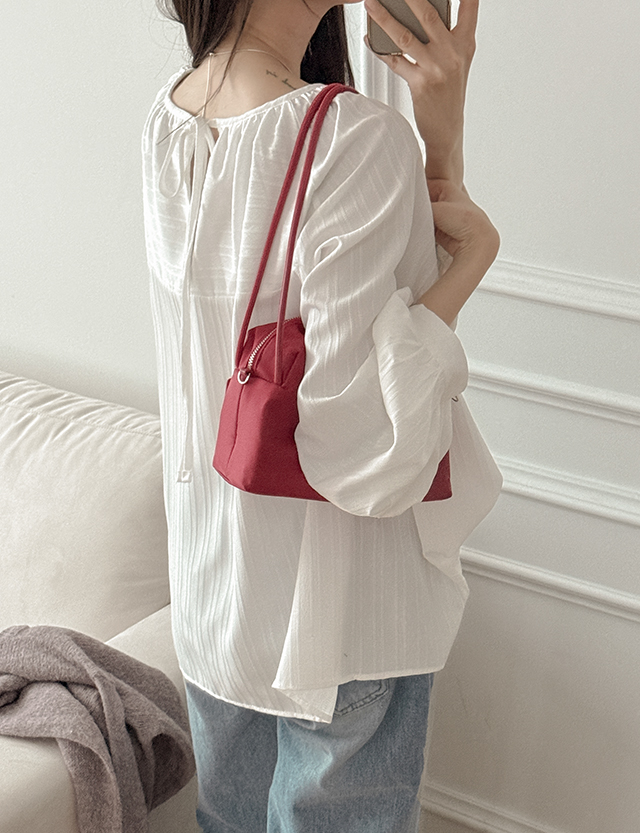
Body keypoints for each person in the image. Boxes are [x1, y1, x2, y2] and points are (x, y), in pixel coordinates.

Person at [142, 0, 502, 830]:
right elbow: (365, 440)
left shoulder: (171, 115)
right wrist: (475, 259)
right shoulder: (351, 136)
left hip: (216, 592)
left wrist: (438, 139)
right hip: (337, 610)